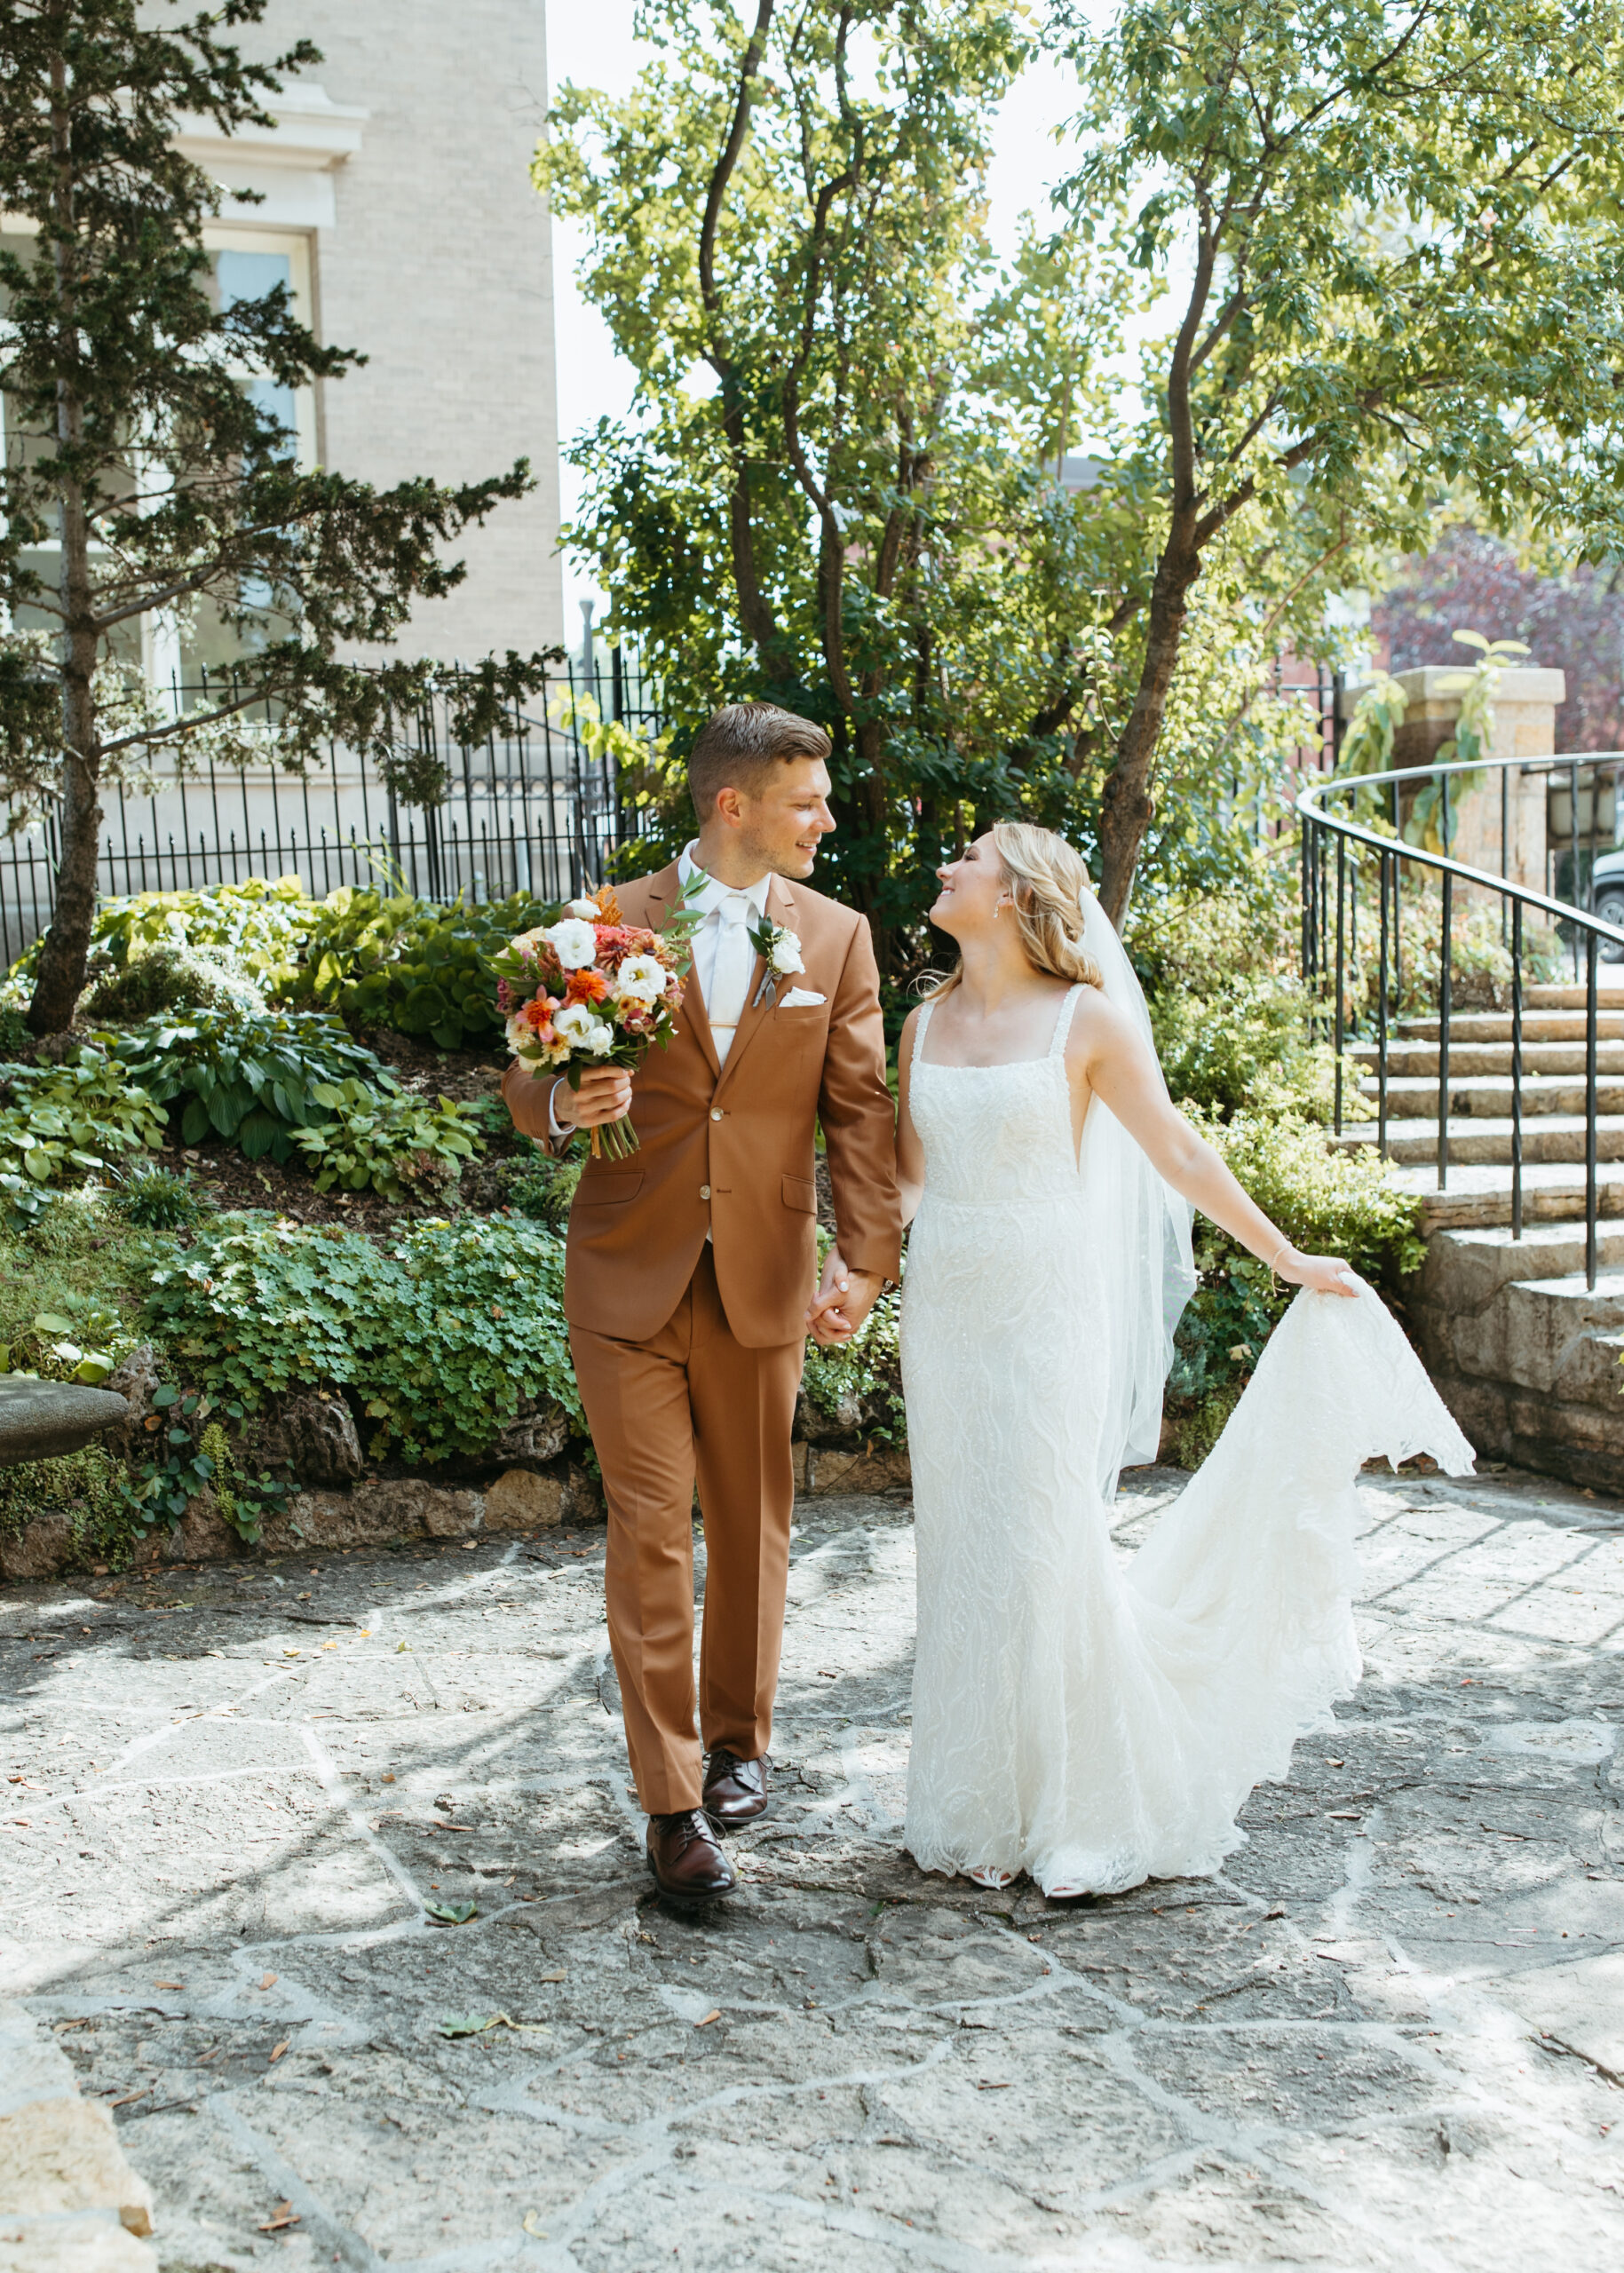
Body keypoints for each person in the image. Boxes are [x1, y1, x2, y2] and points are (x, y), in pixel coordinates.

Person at [894, 820, 1471, 1898]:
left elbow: (1177, 1151)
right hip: (947, 1314)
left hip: (1045, 1309)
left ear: (1018, 893)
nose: (945, 867)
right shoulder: (920, 1024)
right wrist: (847, 1274)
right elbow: (910, 1180)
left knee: (1041, 1544)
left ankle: (1081, 1803)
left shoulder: (1086, 1019)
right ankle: (979, 1801)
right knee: (965, 1550)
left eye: (967, 857)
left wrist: (1287, 1254)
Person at [503, 702, 901, 1904]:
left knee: (756, 1518)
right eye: (805, 801)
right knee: (652, 1534)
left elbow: (862, 1111)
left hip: (764, 1273)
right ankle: (672, 1808)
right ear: (734, 806)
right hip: (626, 1273)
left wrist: (865, 1260)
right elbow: (528, 1075)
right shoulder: (605, 921)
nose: (824, 819)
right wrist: (555, 1109)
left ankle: (738, 1738)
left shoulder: (833, 939)